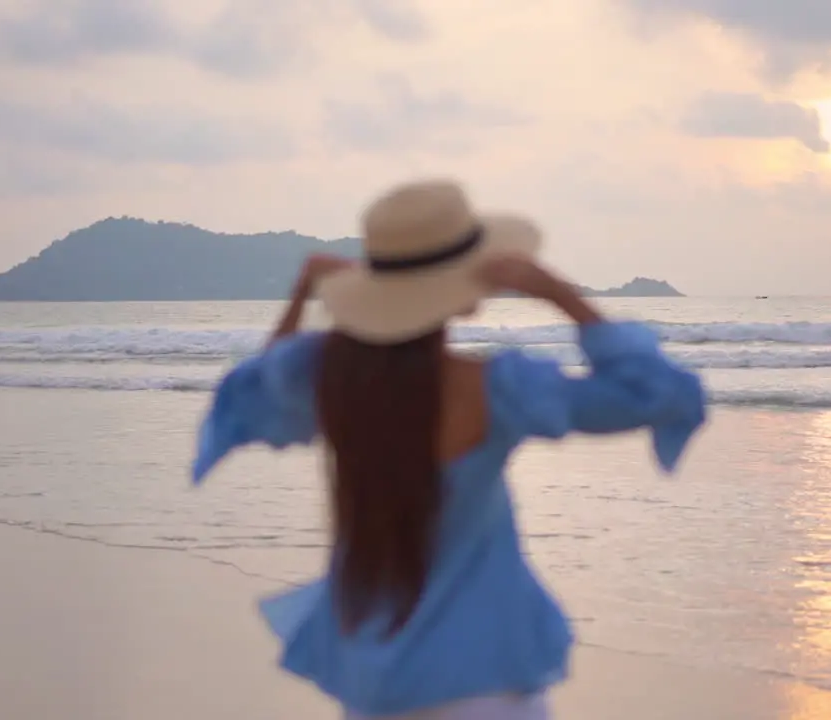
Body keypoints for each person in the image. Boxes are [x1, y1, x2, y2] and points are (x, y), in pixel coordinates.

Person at [191, 179, 707, 720]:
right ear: (463, 290)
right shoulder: (495, 389)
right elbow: (656, 395)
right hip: (485, 675)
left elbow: (252, 395)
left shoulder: (330, 380)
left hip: (376, 680)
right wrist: (561, 295)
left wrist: (303, 291)